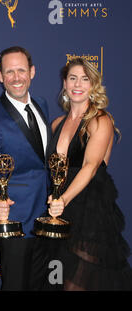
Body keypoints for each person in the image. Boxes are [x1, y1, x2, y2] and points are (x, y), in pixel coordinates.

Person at [47, 57, 132, 290]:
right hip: (58, 209)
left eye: (85, 79)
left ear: (93, 85)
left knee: (80, 282)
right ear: (64, 83)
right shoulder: (56, 124)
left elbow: (90, 166)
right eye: (72, 78)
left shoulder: (100, 120)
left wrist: (63, 200)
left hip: (90, 210)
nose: (77, 84)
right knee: (59, 279)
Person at [0, 46, 51, 290]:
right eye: (10, 72)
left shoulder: (42, 104)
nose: (16, 77)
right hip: (16, 217)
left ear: (32, 72)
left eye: (21, 70)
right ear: (0, 76)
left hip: (49, 216)